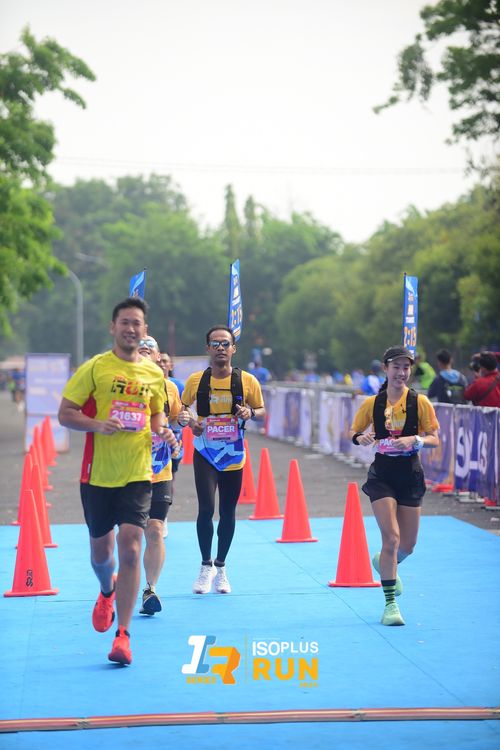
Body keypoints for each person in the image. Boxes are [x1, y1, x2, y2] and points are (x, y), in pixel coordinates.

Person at [58, 297, 171, 665]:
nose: (131, 329)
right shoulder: (95, 368)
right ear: (113, 327)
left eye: (137, 323)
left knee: (131, 548)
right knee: (102, 556)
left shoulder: (153, 374)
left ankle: (123, 635)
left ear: (144, 330)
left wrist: (163, 431)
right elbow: (65, 414)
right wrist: (97, 424)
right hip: (98, 475)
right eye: (124, 322)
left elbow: (157, 416)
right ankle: (106, 590)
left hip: (138, 473)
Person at [350, 346, 439, 627]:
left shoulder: (419, 402)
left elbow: (435, 438)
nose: (401, 372)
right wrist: (361, 438)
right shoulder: (373, 403)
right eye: (396, 367)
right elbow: (353, 431)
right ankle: (390, 604)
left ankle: (385, 562)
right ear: (385, 369)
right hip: (382, 475)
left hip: (410, 474)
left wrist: (416, 440)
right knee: (391, 538)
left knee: (407, 545)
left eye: (406, 368)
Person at [182, 325, 266, 594]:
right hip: (205, 451)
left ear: (233, 349)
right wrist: (190, 422)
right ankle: (205, 566)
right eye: (215, 344)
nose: (220, 348)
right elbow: (182, 409)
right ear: (207, 348)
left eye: (225, 344)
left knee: (228, 511)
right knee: (206, 509)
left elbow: (262, 410)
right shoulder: (196, 381)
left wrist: (250, 413)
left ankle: (221, 566)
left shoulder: (247, 381)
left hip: (233, 454)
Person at [137, 336, 186, 615]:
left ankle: (150, 589)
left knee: (155, 529)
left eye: (150, 347)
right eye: (140, 346)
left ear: (159, 358)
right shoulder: (121, 384)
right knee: (131, 536)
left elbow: (177, 417)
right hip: (128, 472)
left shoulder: (170, 388)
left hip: (159, 471)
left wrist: (184, 420)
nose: (145, 348)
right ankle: (114, 586)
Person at [158, 351, 186, 538]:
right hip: (151, 441)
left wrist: (186, 421)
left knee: (170, 477)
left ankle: (163, 515)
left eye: (165, 361)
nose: (162, 364)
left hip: (173, 441)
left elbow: (183, 412)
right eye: (159, 361)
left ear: (171, 365)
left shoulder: (177, 386)